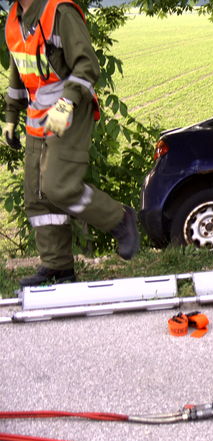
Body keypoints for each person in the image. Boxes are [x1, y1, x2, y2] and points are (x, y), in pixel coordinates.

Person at [2, 0, 140, 287]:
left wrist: (66, 103)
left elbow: (87, 65)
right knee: (38, 197)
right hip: (38, 116)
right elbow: (18, 74)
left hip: (71, 109)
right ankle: (58, 267)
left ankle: (119, 218)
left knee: (59, 187)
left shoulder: (58, 12)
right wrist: (10, 117)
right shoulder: (14, 21)